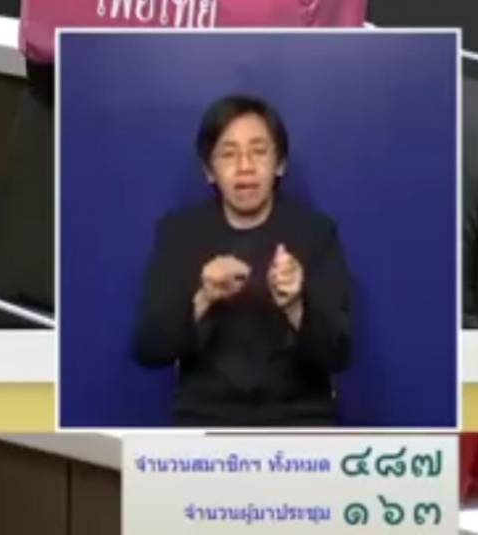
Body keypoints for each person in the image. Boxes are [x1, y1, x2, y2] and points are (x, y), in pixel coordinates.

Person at [132, 95, 353, 426]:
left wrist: (295, 305)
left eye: (259, 151)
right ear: (209, 171)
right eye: (229, 154)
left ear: (280, 164)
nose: (245, 166)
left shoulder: (316, 233)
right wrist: (202, 298)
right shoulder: (179, 234)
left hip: (299, 418)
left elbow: (339, 355)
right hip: (205, 418)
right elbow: (149, 350)